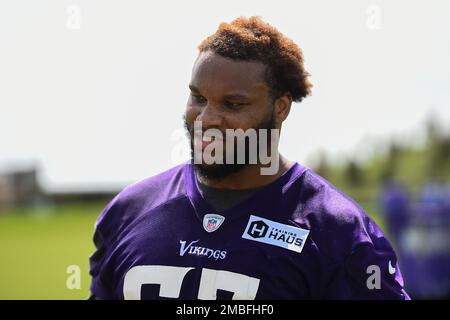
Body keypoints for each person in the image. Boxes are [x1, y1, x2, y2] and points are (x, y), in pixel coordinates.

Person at [89, 16, 409, 300]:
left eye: (233, 104)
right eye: (198, 98)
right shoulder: (128, 211)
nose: (208, 119)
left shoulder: (337, 230)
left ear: (280, 108)